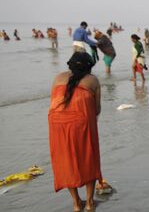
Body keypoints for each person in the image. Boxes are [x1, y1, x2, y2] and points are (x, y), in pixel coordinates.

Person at [48, 52, 102, 212]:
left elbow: (53, 102)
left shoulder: (58, 78)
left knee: (66, 162)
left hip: (57, 124)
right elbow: (97, 109)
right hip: (81, 122)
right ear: (89, 67)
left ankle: (76, 203)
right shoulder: (93, 80)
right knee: (88, 158)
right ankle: (90, 203)